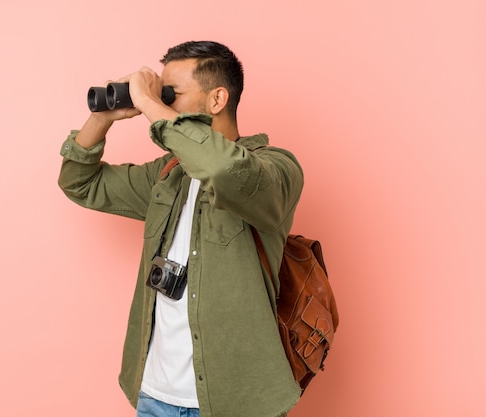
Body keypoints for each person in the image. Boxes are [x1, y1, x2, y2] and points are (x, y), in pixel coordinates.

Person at [58, 40, 304, 417]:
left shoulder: (274, 169)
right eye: (160, 94)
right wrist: (105, 116)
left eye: (171, 94)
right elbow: (79, 182)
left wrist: (152, 106)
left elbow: (225, 170)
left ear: (217, 99)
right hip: (155, 397)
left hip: (236, 404)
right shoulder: (167, 175)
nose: (159, 102)